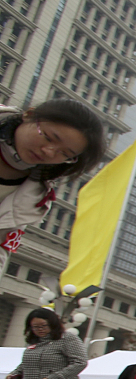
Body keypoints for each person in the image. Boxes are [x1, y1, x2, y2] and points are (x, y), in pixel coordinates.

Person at [0, 99, 106, 273]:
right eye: (48, 137)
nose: (49, 151)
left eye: (64, 153)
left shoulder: (31, 197)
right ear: (30, 115)